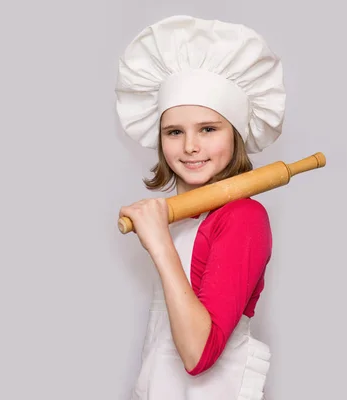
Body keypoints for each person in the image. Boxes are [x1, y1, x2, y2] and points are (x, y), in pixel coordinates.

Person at [115, 15, 286, 400]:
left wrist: (158, 242)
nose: (190, 146)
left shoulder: (243, 218)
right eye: (175, 132)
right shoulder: (182, 216)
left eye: (208, 129)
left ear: (236, 134)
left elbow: (197, 354)